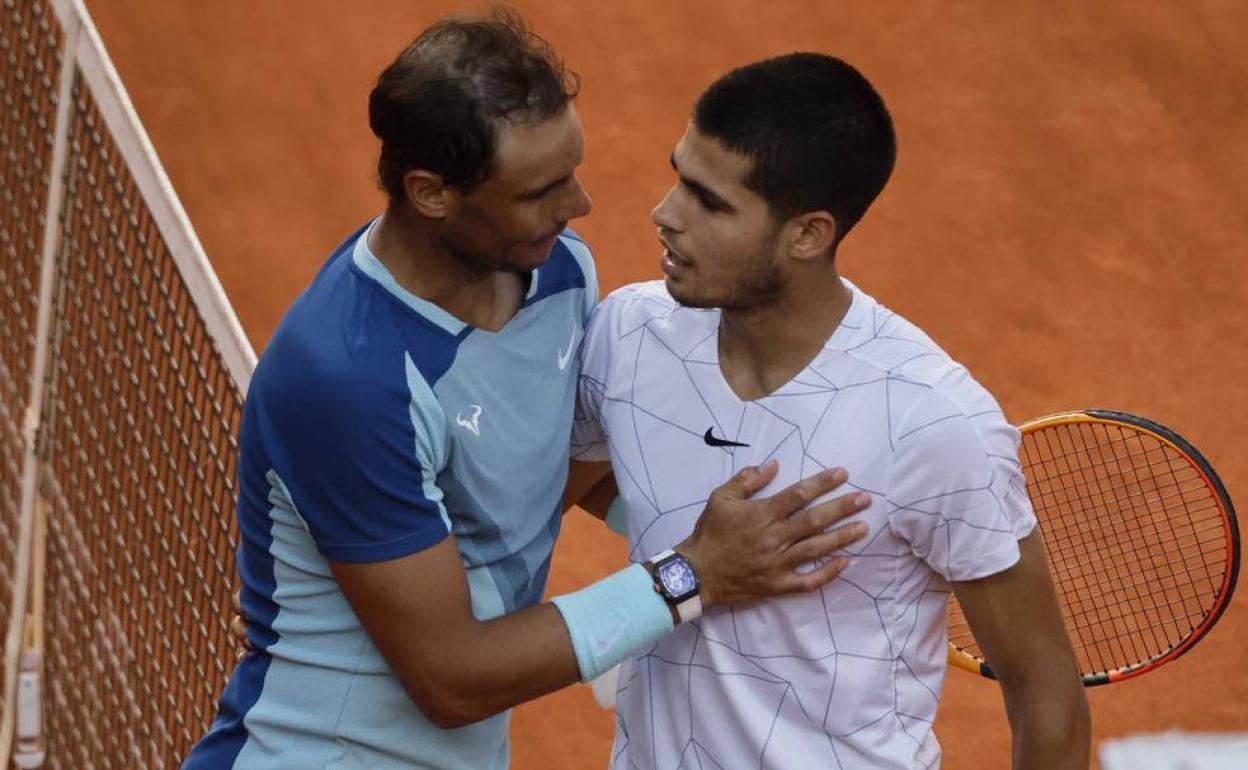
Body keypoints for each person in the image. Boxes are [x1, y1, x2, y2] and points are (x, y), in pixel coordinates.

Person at [183, 12, 870, 770]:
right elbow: (451, 679)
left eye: (571, 171)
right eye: (541, 189)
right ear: (432, 193)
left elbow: (547, 467)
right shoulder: (346, 380)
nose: (579, 206)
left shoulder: (559, 273)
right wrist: (692, 573)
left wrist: (776, 536)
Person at [571, 54, 1091, 768]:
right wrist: (700, 557)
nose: (666, 215)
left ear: (809, 235)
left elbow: (1044, 688)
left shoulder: (931, 421)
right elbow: (543, 497)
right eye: (679, 175)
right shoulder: (627, 337)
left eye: (710, 202)